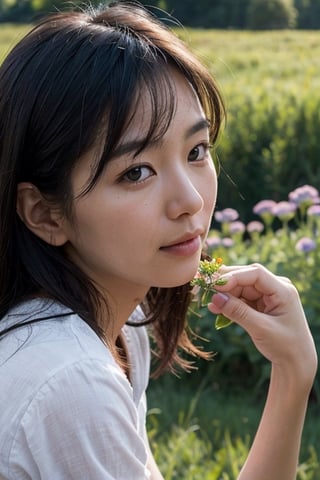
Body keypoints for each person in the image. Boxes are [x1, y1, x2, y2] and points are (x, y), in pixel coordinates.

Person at [0, 1, 317, 479]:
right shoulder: (68, 378)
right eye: (137, 172)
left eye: (196, 150)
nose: (190, 200)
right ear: (45, 212)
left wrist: (292, 373)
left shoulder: (120, 334)